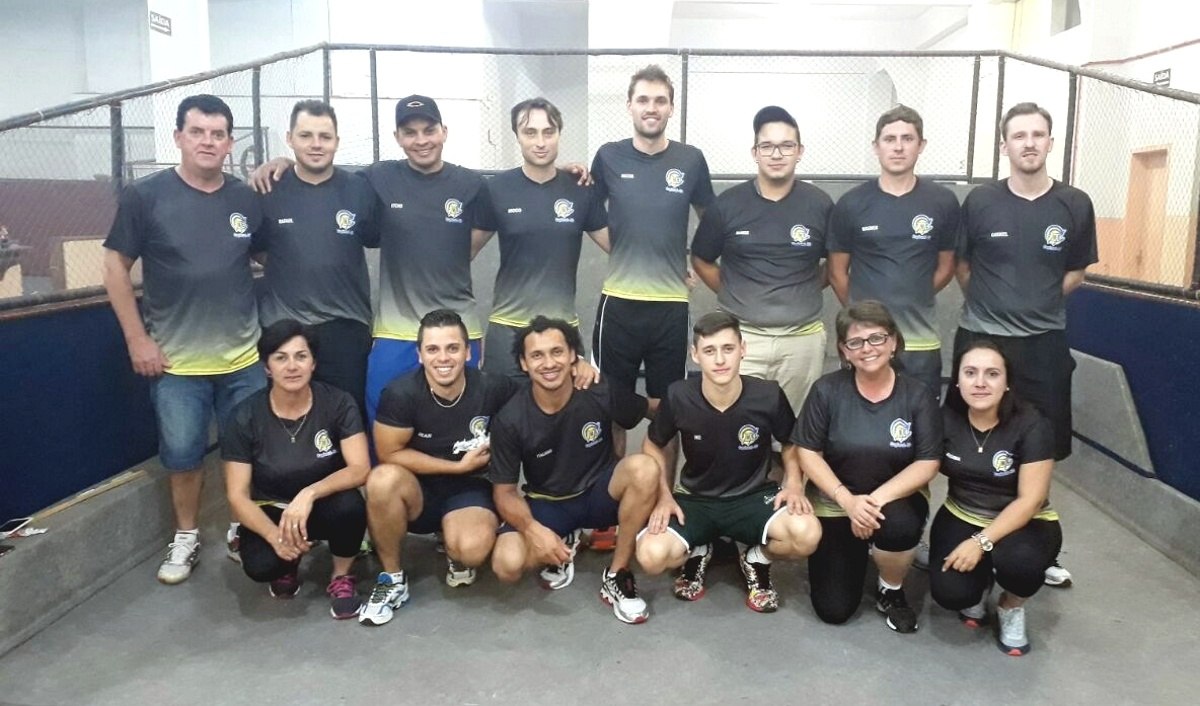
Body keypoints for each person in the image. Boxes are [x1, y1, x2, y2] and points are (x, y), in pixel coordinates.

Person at [103, 94, 265, 584]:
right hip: (175, 364)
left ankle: (243, 530)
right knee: (183, 456)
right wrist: (137, 339)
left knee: (247, 452)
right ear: (178, 137)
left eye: (218, 134)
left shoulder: (245, 198)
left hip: (243, 358)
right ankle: (187, 536)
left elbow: (268, 260)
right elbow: (114, 266)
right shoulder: (145, 196)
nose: (208, 141)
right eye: (198, 132)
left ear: (230, 143)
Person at [252, 95, 487, 427]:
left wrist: (563, 173)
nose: (420, 140)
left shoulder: (468, 184)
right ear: (397, 138)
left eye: (428, 130)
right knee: (363, 420)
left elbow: (479, 236)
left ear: (444, 132)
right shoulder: (370, 180)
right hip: (361, 328)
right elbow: (260, 249)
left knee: (444, 421)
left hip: (377, 328)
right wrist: (276, 163)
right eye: (305, 136)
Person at [953, 101, 1098, 588]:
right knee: (968, 438)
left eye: (1038, 134)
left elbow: (1077, 269)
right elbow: (963, 267)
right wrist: (997, 308)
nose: (1029, 143)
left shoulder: (1074, 204)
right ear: (1005, 145)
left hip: (1044, 344)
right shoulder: (979, 202)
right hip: (982, 336)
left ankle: (1039, 544)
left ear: (1050, 143)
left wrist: (1035, 304)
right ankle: (961, 527)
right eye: (1019, 135)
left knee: (1042, 444)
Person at [636, 312, 821, 612]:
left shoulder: (768, 394)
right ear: (695, 355)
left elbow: (791, 443)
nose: (720, 360)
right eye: (709, 351)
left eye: (728, 349)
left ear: (743, 349)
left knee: (807, 534)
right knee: (651, 557)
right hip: (696, 501)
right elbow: (652, 444)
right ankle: (698, 548)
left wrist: (795, 484)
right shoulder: (679, 395)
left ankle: (756, 558)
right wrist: (663, 495)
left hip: (753, 498)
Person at [489, 317, 660, 624]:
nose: (548, 363)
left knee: (644, 469)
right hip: (548, 503)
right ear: (524, 364)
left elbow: (652, 411)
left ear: (573, 356)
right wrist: (533, 530)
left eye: (557, 352)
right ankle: (561, 537)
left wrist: (703, 407)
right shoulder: (510, 418)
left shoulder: (596, 388)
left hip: (600, 495)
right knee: (507, 564)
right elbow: (503, 493)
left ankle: (617, 573)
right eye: (537, 355)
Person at [358, 310, 519, 626]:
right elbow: (388, 452)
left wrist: (577, 368)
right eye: (433, 349)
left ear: (468, 352)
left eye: (452, 348)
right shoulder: (400, 393)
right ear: (419, 354)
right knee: (381, 480)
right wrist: (455, 466)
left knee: (471, 551)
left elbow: (540, 404)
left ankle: (456, 544)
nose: (443, 358)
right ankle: (392, 579)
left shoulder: (494, 387)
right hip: (420, 491)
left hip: (470, 488)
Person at [794, 301, 942, 633]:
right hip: (836, 502)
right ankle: (858, 553)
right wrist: (849, 502)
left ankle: (890, 588)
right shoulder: (826, 391)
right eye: (855, 342)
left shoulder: (917, 395)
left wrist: (871, 503)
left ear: (893, 342)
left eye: (877, 338)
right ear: (843, 351)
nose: (867, 349)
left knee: (900, 527)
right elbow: (808, 452)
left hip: (893, 502)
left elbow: (928, 462)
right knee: (834, 610)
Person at [221, 319, 370, 618]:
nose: (292, 366)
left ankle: (340, 575)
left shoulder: (339, 403)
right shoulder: (243, 416)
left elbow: (360, 468)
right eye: (281, 357)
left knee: (350, 507)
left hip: (322, 505)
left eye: (301, 356)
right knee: (262, 567)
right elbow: (237, 495)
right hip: (273, 510)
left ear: (313, 363)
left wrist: (310, 493)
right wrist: (273, 536)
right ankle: (286, 564)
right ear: (267, 367)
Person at [691, 105, 832, 414]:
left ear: (799, 151)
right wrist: (733, 291)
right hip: (742, 339)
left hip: (802, 340)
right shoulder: (727, 204)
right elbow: (701, 259)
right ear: (755, 152)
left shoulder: (820, 204)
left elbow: (835, 264)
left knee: (795, 436)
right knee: (739, 432)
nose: (777, 154)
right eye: (767, 146)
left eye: (786, 146)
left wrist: (804, 287)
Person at [930, 340, 1062, 656]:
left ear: (1006, 383)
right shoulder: (944, 419)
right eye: (970, 373)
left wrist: (980, 542)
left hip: (1025, 520)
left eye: (992, 374)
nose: (980, 382)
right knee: (951, 594)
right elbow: (919, 468)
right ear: (957, 380)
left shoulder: (1032, 425)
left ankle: (1010, 606)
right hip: (962, 512)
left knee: (1022, 566)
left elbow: (1030, 500)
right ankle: (980, 586)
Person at [255, 99, 379, 424]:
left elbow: (376, 237)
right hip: (285, 327)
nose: (315, 144)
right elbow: (255, 248)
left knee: (347, 421)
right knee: (286, 422)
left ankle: (350, 477)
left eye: (324, 136)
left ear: (337, 141)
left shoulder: (359, 189)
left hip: (346, 328)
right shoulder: (268, 189)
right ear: (290, 138)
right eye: (306, 135)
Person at [827, 104, 960, 400]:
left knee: (920, 432)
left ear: (921, 145)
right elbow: (836, 272)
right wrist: (863, 315)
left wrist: (915, 293)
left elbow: (946, 267)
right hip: (865, 344)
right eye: (889, 139)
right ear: (876, 147)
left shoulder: (943, 202)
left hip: (920, 344)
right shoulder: (851, 204)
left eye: (907, 139)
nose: (898, 147)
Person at [472, 98, 609, 379]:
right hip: (506, 330)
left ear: (559, 134)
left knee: (565, 421)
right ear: (517, 137)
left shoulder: (580, 189)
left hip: (561, 333)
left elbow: (620, 248)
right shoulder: (496, 189)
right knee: (501, 420)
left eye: (549, 132)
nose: (540, 142)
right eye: (530, 132)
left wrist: (674, 266)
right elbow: (461, 254)